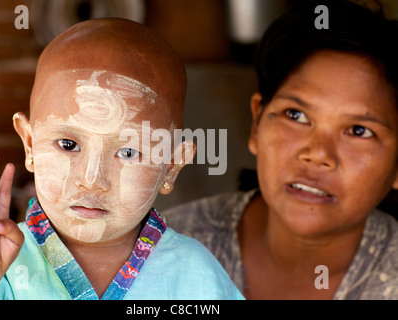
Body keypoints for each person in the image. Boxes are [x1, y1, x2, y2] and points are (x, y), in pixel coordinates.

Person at [0, 18, 243, 300]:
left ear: (171, 166)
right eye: (68, 144)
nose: (91, 179)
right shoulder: (1, 263)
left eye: (128, 152)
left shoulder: (194, 272)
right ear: (29, 144)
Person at [163, 0, 398, 299]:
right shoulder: (163, 248)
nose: (317, 154)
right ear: (257, 123)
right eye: (295, 115)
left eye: (359, 131)